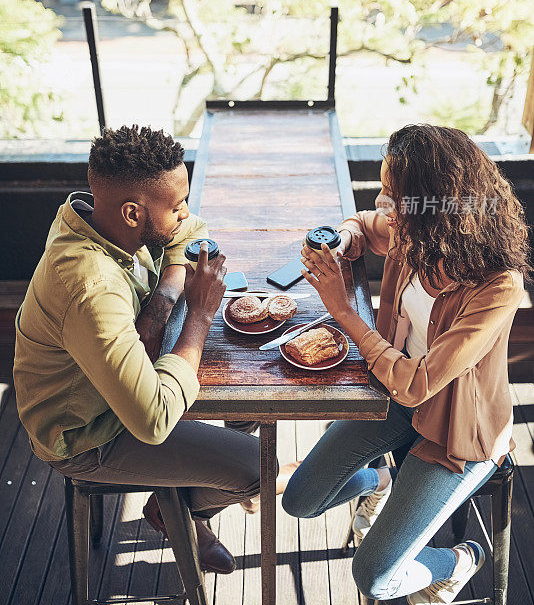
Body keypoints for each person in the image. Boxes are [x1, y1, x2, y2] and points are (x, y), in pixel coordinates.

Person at [13, 124, 292, 575]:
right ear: (131, 212)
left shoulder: (87, 215)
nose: (187, 213)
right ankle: (181, 512)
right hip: (88, 433)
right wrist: (198, 314)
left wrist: (161, 303)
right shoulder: (92, 287)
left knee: (244, 398)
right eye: (176, 205)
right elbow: (152, 420)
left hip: (122, 382)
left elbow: (191, 234)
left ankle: (181, 491)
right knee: (257, 467)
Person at [282, 124, 531, 604]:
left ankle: (460, 559)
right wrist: (342, 241)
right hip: (393, 398)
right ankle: (382, 479)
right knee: (299, 500)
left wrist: (343, 311)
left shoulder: (499, 287)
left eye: (392, 196)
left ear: (430, 207)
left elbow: (417, 386)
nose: (383, 205)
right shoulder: (410, 233)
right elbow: (362, 224)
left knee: (374, 578)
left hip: (457, 430)